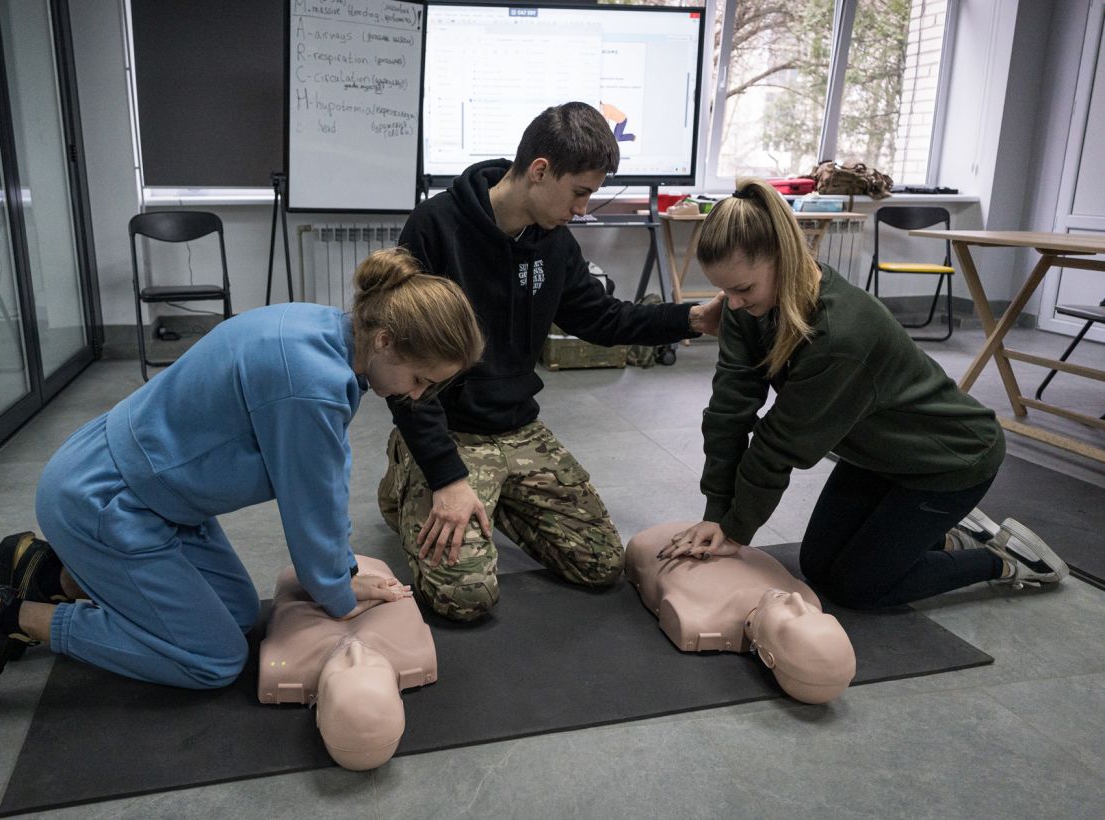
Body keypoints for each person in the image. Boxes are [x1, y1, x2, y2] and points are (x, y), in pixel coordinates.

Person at [0, 248, 484, 708]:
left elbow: (322, 484)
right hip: (105, 501)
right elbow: (313, 506)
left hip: (149, 494)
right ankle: (8, 615)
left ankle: (49, 574)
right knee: (214, 659)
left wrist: (338, 573)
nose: (416, 396)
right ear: (386, 340)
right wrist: (340, 592)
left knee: (241, 614)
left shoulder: (322, 327)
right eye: (419, 379)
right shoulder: (312, 385)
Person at [379, 101, 725, 622]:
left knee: (601, 564)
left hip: (517, 428)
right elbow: (404, 366)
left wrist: (694, 318)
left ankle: (486, 496)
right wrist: (447, 478)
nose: (583, 209)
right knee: (465, 598)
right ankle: (409, 480)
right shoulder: (435, 228)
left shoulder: (554, 243)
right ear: (540, 170)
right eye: (580, 192)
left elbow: (603, 319)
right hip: (449, 431)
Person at [662, 177, 1069, 610]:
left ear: (785, 259)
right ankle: (942, 536)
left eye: (743, 289)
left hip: (951, 458)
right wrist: (715, 513)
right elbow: (728, 412)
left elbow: (778, 445)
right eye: (725, 291)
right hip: (880, 453)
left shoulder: (840, 336)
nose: (733, 303)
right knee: (818, 568)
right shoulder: (748, 306)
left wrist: (736, 530)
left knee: (858, 588)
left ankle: (1002, 560)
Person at [626, 520, 856, 705]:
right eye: (815, 613)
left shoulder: (698, 618)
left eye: (793, 617)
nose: (796, 600)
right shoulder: (804, 596)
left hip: (649, 543)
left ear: (767, 657)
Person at [259, 555, 436, 770]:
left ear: (319, 715)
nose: (355, 651)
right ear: (400, 701)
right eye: (375, 665)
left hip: (301, 574)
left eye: (342, 668)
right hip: (365, 570)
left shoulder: (279, 665)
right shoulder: (415, 650)